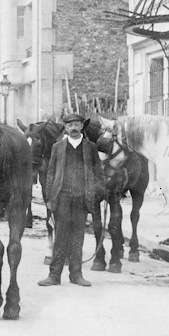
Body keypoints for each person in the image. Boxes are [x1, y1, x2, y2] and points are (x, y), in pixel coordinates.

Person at [38, 113, 105, 287]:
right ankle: (54, 276)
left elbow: (98, 172)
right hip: (63, 198)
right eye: (70, 125)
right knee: (60, 237)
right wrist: (49, 198)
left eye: (76, 124)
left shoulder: (90, 147)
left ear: (82, 126)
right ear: (65, 128)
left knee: (77, 238)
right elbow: (50, 173)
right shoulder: (57, 147)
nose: (73, 128)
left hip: (82, 199)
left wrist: (97, 193)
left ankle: (76, 275)